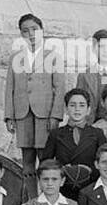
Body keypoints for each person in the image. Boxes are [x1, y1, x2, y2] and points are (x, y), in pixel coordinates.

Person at [5, 13, 67, 190]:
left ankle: (46, 195)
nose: (31, 34)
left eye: (34, 29)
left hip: (45, 115)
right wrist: (9, 116)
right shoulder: (15, 58)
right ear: (21, 35)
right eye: (25, 31)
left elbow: (59, 88)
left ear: (42, 31)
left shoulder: (53, 56)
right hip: (22, 114)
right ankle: (31, 198)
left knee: (45, 158)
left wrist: (55, 115)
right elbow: (10, 87)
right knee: (27, 160)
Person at [42, 87, 107, 200]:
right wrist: (62, 170)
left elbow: (104, 161)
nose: (77, 109)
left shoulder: (97, 134)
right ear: (66, 109)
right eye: (72, 105)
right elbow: (45, 163)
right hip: (64, 189)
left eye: (82, 105)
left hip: (90, 188)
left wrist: (88, 170)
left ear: (88, 110)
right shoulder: (56, 134)